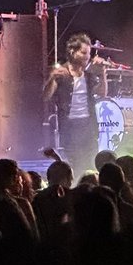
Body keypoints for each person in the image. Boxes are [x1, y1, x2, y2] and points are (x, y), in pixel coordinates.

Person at [43, 33, 108, 175]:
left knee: (91, 166)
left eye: (89, 53)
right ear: (73, 52)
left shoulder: (89, 74)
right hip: (70, 127)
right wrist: (52, 78)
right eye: (83, 52)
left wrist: (103, 73)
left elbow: (103, 94)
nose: (87, 56)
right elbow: (46, 96)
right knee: (76, 168)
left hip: (89, 126)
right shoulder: (62, 73)